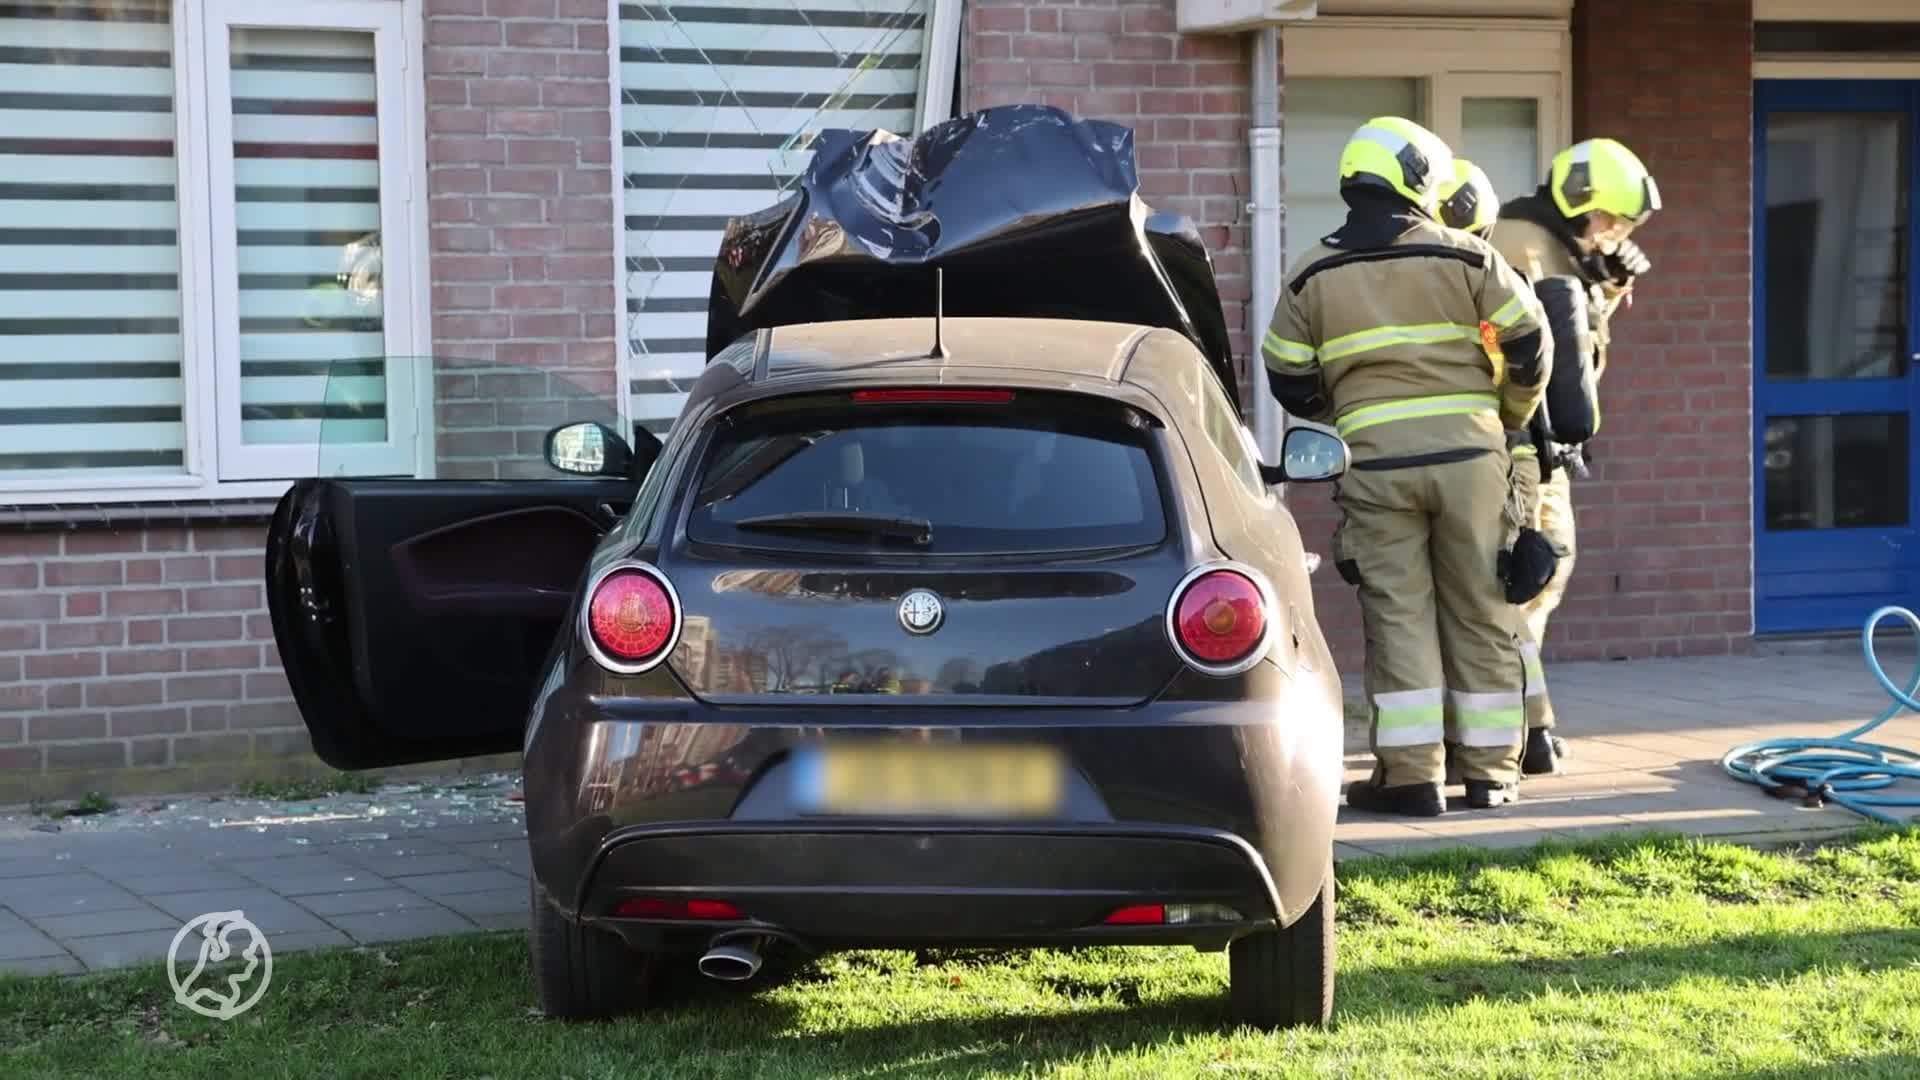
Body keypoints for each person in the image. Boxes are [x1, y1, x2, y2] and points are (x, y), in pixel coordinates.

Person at [1263, 117, 1553, 816]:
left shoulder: (1310, 272)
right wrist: (1508, 414)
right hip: (1471, 462)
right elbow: (1530, 344)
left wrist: (1346, 412)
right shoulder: (1468, 257)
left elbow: (1287, 375)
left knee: (1398, 616)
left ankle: (1411, 778)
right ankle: (1491, 774)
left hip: (1374, 466)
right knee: (1484, 608)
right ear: (1419, 179)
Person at [1485, 138, 1660, 776]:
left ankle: (1525, 723)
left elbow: (1578, 354)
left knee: (1535, 584)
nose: (1613, 234)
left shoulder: (1554, 246)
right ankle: (1523, 728)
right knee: (1532, 578)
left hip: (1535, 446)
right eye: (1609, 220)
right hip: (1523, 448)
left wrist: (1607, 285)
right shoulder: (1526, 247)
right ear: (1578, 201)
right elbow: (1546, 357)